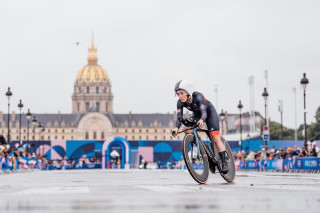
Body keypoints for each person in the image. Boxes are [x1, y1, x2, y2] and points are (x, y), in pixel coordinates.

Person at [171, 80, 229, 173]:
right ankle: (200, 145)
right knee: (185, 127)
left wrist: (202, 120)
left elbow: (204, 113)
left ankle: (224, 162)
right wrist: (176, 128)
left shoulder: (198, 96)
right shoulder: (180, 102)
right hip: (197, 115)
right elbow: (179, 118)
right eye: (178, 94)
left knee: (215, 138)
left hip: (209, 113)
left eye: (182, 93)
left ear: (188, 92)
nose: (180, 96)